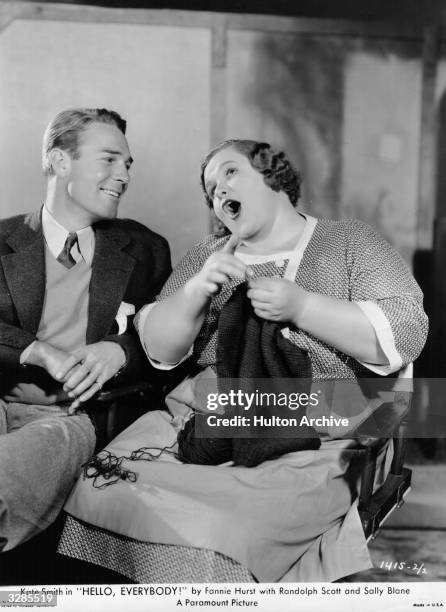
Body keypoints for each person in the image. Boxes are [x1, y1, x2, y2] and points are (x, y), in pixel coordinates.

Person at [61, 139, 428, 582]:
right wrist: (197, 290)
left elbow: (407, 330)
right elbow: (160, 351)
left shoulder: (349, 241)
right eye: (211, 186)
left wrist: (304, 307)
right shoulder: (206, 255)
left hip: (315, 429)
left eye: (230, 172)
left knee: (220, 528)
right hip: (201, 420)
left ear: (273, 175)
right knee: (99, 488)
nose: (219, 189)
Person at [0, 108, 171, 552]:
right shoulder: (2, 241)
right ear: (59, 161)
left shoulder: (146, 250)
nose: (123, 175)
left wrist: (123, 350)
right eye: (109, 159)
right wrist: (37, 351)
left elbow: (174, 345)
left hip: (75, 419)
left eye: (128, 164)